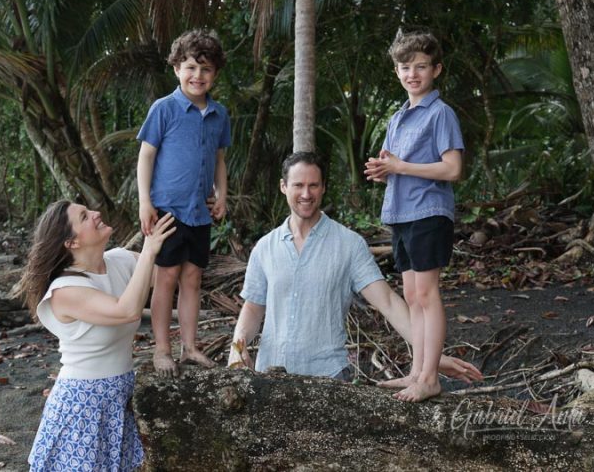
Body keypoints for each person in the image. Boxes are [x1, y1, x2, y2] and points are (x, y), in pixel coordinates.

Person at [228, 152, 481, 393]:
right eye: (298, 185)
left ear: (324, 187)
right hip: (269, 378)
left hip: (328, 379)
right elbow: (253, 308)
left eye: (313, 185)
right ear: (284, 186)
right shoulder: (264, 247)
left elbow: (389, 303)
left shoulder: (348, 244)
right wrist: (238, 345)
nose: (306, 194)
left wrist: (431, 357)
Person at [17, 200, 175, 471]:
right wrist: (149, 251)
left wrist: (188, 209)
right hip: (82, 403)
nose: (96, 213)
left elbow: (170, 275)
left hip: (119, 394)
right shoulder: (64, 291)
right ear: (72, 243)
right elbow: (126, 310)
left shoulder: (120, 260)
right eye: (84, 216)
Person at [363, 29, 465, 402]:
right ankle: (416, 372)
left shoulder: (440, 113)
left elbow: (452, 169)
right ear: (397, 72)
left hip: (429, 212)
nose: (412, 74)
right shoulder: (398, 117)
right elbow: (395, 165)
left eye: (421, 66)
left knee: (426, 293)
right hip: (402, 213)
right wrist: (382, 169)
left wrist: (402, 166)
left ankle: (430, 378)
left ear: (436, 69)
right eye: (405, 67)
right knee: (411, 295)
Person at [136, 29, 231, 377]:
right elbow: (146, 157)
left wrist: (222, 195)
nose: (198, 76)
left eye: (206, 69)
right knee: (166, 279)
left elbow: (219, 159)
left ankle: (190, 347)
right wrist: (145, 202)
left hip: (200, 213)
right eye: (191, 67)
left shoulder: (220, 114)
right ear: (177, 68)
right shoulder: (164, 109)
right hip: (167, 210)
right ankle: (163, 350)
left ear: (215, 74)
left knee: (193, 279)